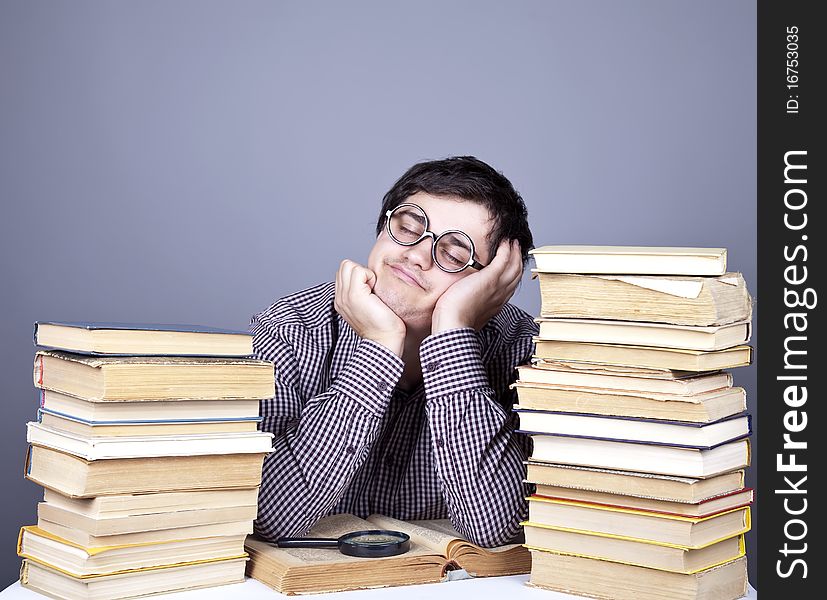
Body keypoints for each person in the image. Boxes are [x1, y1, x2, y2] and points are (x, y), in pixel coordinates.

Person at [250, 156, 537, 547]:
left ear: (494, 283)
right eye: (408, 227)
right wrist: (379, 346)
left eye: (454, 254)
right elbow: (265, 515)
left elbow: (497, 530)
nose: (416, 255)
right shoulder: (290, 330)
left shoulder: (522, 350)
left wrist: (455, 330)